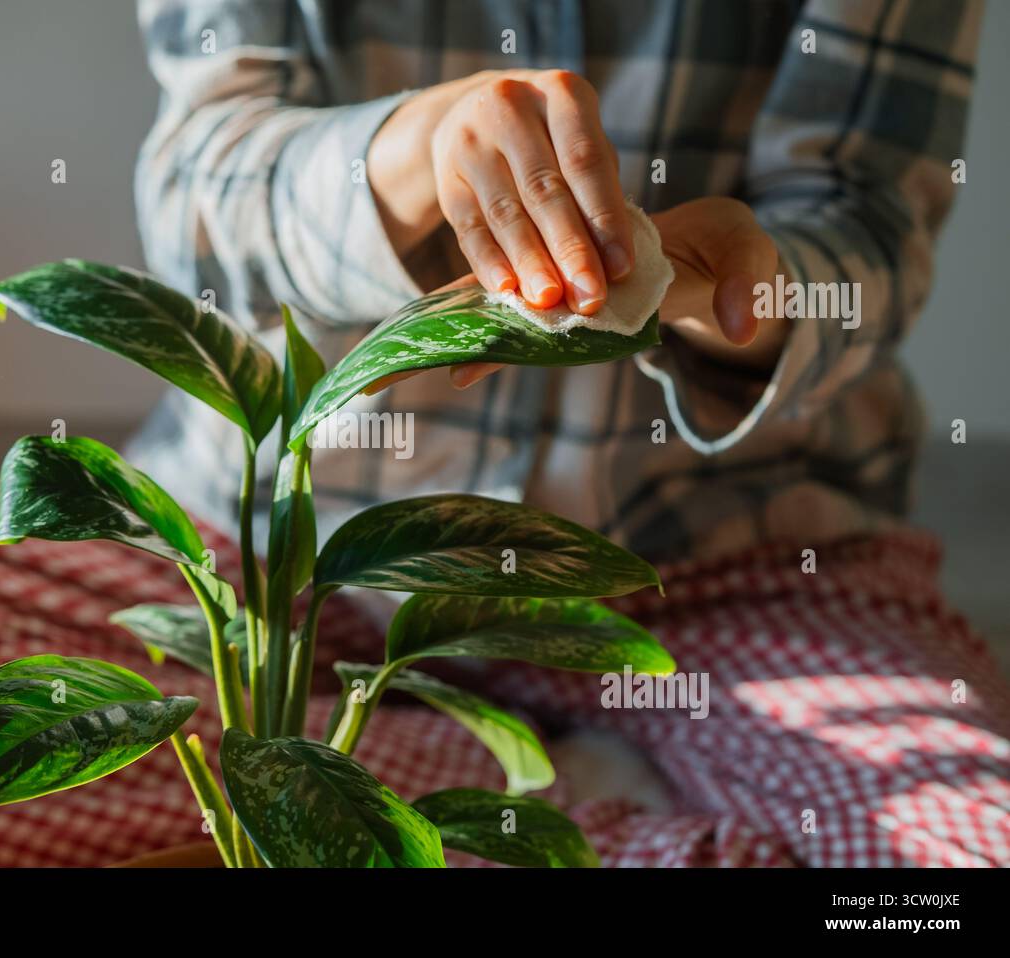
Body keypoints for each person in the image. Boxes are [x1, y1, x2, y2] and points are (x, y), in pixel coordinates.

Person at [127, 0, 1009, 866]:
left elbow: (867, 227)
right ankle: (572, 804)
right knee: (4, 709)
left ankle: (427, 796)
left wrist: (735, 294)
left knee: (966, 850)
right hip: (281, 551)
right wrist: (410, 152)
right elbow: (197, 198)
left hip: (724, 562)